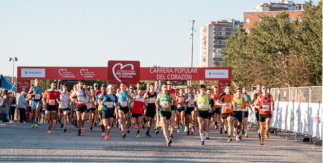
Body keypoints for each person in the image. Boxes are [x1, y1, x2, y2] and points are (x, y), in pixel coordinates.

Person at [155, 82, 176, 146]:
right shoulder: (159, 95)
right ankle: (167, 140)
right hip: (162, 111)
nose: (165, 88)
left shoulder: (170, 95)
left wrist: (171, 104)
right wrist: (157, 105)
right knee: (164, 126)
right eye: (164, 87)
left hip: (168, 111)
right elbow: (156, 101)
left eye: (166, 87)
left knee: (166, 125)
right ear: (161, 88)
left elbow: (176, 102)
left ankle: (159, 124)